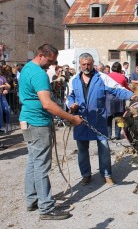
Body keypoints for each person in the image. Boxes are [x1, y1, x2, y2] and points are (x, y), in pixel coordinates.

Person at [19, 44, 83, 220]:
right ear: (40, 55)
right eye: (50, 60)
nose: (52, 64)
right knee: (41, 166)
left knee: (33, 162)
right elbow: (47, 104)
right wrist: (71, 118)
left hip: (29, 120)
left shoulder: (27, 68)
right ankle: (46, 208)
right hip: (38, 123)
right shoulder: (39, 74)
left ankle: (32, 199)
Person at [67, 53, 134, 187]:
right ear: (79, 64)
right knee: (82, 150)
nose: (86, 67)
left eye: (89, 64)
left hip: (98, 120)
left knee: (104, 148)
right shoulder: (73, 80)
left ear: (93, 64)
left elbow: (118, 90)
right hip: (81, 119)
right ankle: (86, 175)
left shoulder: (102, 77)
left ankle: (107, 174)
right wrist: (71, 104)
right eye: (84, 64)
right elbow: (70, 96)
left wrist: (132, 96)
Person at [107, 62, 132, 140]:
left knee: (108, 118)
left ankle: (108, 135)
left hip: (108, 100)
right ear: (120, 69)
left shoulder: (107, 76)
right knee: (119, 117)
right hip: (119, 99)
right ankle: (117, 135)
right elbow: (126, 88)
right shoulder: (122, 77)